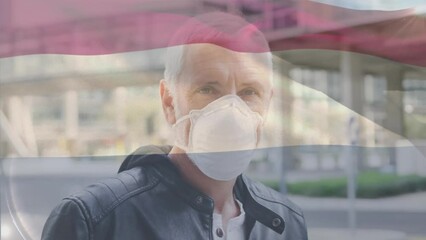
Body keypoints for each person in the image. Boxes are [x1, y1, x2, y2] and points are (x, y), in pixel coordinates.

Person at [41, 12, 308, 240]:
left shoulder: (286, 223)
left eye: (249, 92)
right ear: (169, 102)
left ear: (268, 103)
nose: (230, 111)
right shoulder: (92, 221)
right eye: (208, 89)